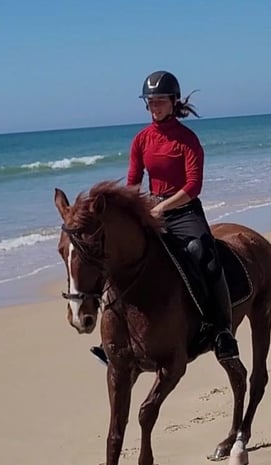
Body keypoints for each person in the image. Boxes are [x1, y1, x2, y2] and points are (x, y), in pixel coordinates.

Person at [90, 70, 239, 365]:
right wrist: (129, 212)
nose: (154, 106)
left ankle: (222, 331)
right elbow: (133, 183)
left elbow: (193, 186)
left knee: (205, 255)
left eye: (159, 100)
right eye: (150, 101)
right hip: (152, 210)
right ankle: (115, 336)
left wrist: (163, 207)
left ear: (173, 101)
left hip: (184, 212)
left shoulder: (187, 140)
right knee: (120, 257)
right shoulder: (141, 140)